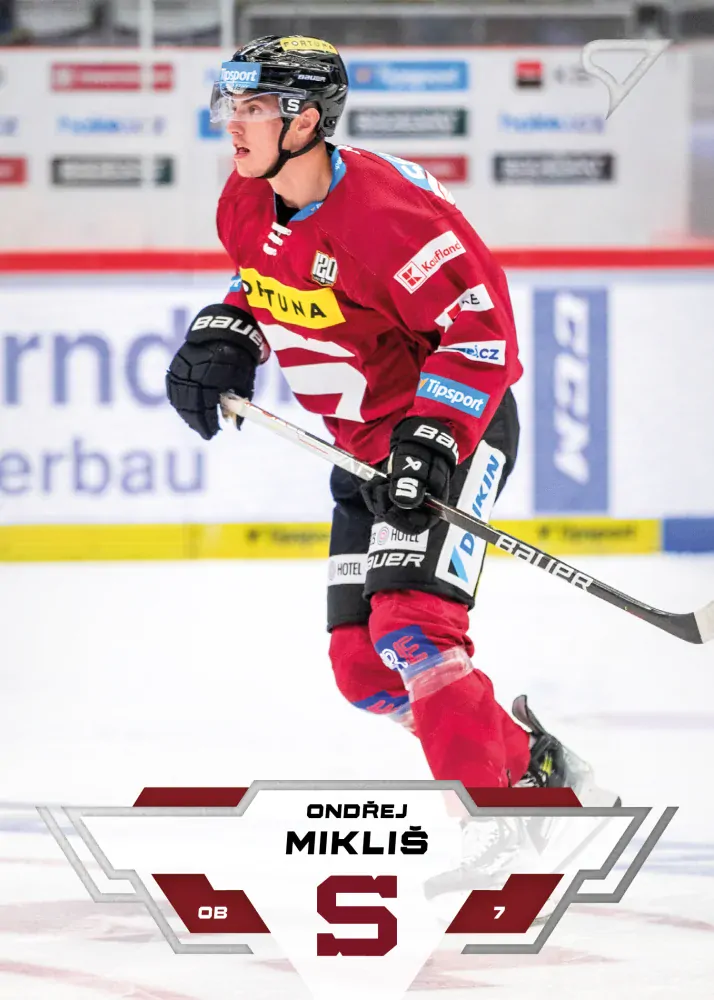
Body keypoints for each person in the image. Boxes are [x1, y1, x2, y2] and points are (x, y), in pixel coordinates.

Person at [165, 35, 618, 889]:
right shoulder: (244, 197)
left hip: (451, 434)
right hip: (364, 449)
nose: (234, 123)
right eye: (233, 105)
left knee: (413, 626)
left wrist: (433, 442)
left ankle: (497, 819)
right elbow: (268, 280)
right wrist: (229, 331)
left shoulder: (391, 215)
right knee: (363, 667)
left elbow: (483, 337)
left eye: (254, 108)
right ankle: (534, 765)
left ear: (305, 121)